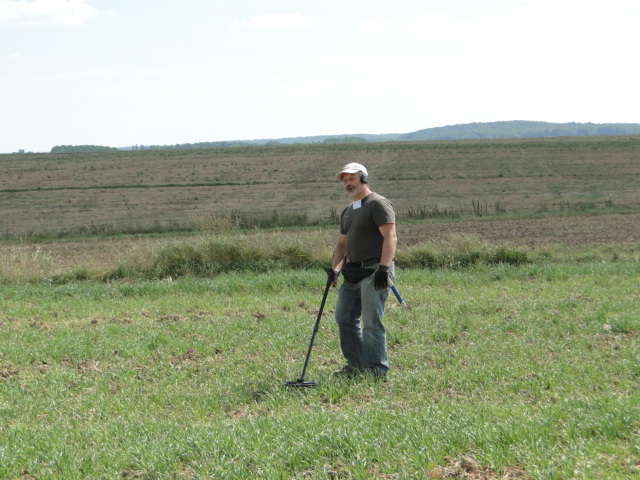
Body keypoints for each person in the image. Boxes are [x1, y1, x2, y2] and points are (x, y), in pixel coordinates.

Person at [330, 162, 397, 378]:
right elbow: (342, 244)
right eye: (345, 180)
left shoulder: (378, 203)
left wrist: (384, 269)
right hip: (352, 273)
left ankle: (377, 371)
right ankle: (356, 366)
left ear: (364, 179)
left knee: (371, 322)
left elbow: (390, 237)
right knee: (344, 319)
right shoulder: (348, 211)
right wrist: (335, 269)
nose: (348, 184)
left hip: (375, 270)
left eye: (352, 178)